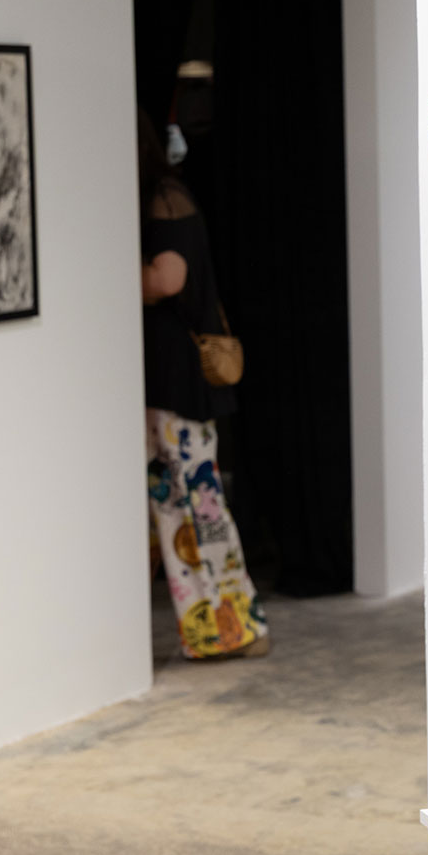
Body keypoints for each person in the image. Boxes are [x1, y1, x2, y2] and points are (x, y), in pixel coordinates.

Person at [139, 109, 269, 659]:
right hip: (171, 384)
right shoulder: (168, 194)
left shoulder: (164, 198)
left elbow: (168, 277)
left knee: (197, 505)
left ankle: (235, 624)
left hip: (179, 383)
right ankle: (217, 628)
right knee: (181, 506)